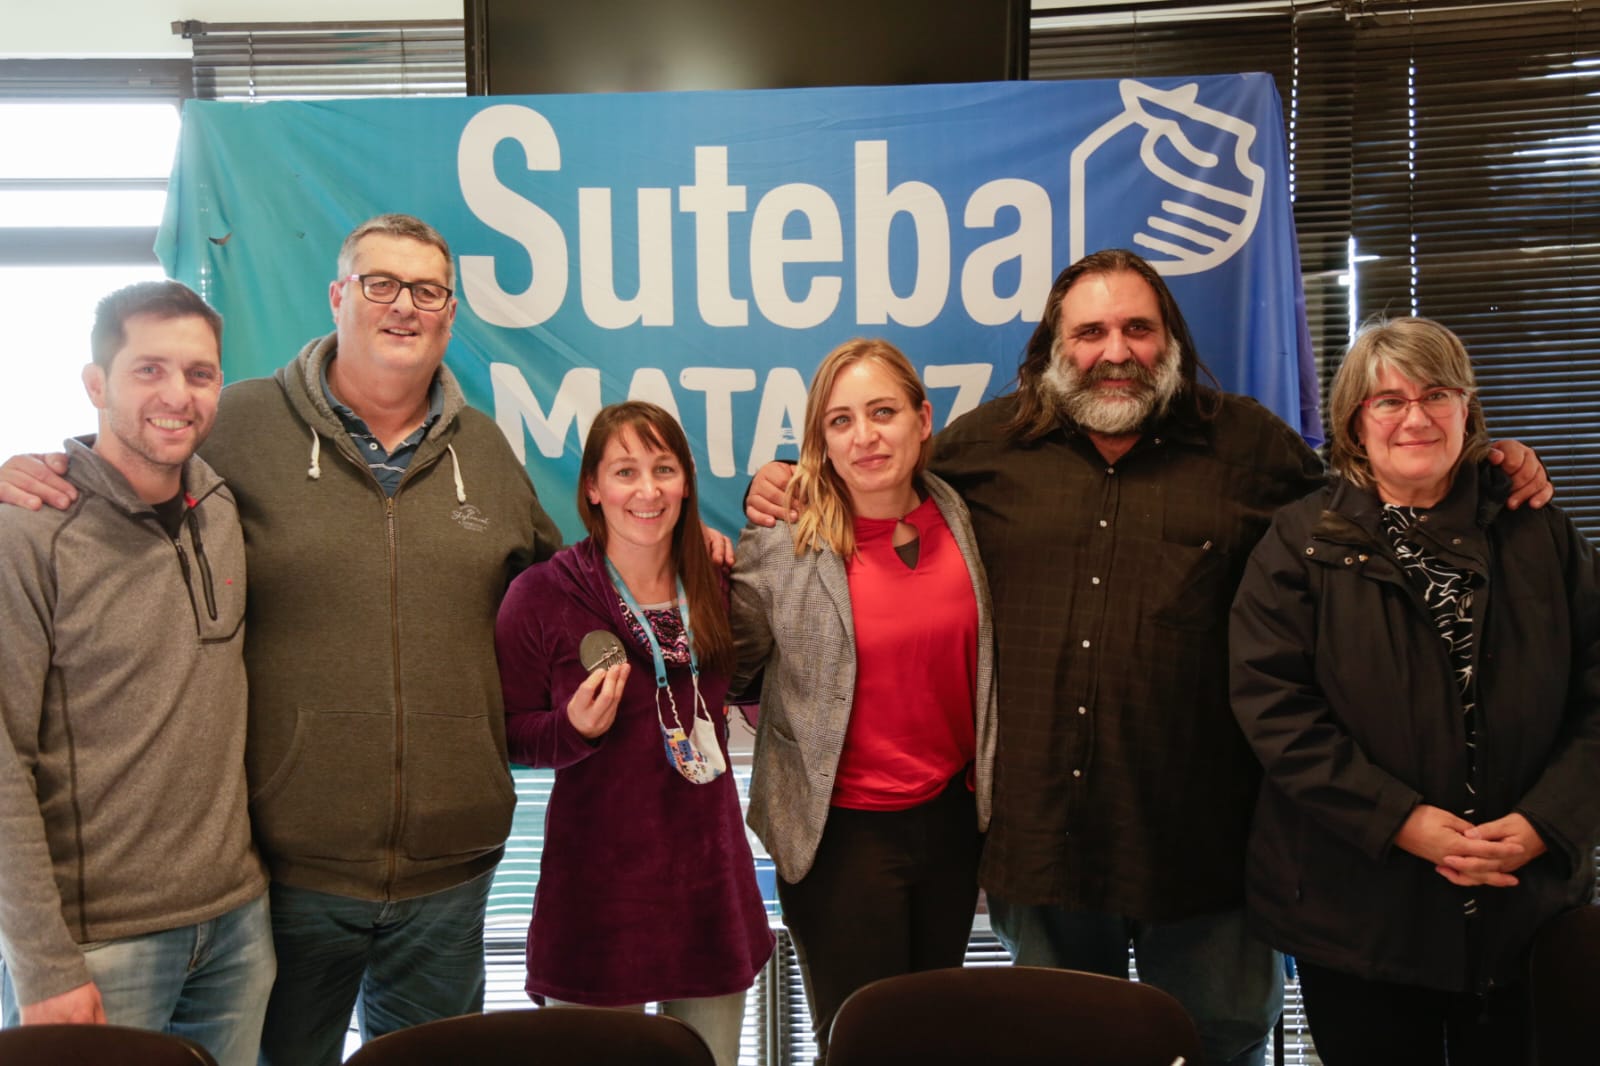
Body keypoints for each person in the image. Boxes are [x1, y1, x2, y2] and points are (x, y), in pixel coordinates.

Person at [745, 249, 1552, 1066]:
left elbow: (1372, 495)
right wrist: (782, 479)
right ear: (1054, 346)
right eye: (1090, 332)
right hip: (1047, 845)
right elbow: (876, 482)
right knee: (1061, 1054)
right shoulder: (982, 448)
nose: (1115, 351)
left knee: (1217, 1047)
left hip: (1204, 849)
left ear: (1170, 338)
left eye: (1137, 328)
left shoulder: (1251, 446)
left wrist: (1487, 467)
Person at [0, 214, 564, 1064]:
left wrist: (683, 547)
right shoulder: (236, 424)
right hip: (286, 875)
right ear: (338, 297)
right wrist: (32, 470)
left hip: (447, 872)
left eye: (427, 291)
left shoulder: (481, 449)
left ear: (450, 315)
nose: (404, 306)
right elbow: (127, 461)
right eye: (380, 284)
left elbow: (568, 587)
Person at [1229, 317, 1600, 1066]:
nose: (1416, 418)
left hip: (1523, 906)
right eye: (1388, 401)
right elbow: (1277, 713)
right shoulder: (1299, 544)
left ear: (1467, 410)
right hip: (1359, 912)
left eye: (1436, 395)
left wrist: (1548, 822)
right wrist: (1399, 819)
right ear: (1353, 422)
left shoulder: (1540, 532)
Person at [0, 281, 272, 1066]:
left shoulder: (220, 508)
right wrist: (43, 964)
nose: (177, 396)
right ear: (96, 384)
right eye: (149, 369)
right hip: (99, 944)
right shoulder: (29, 535)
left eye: (199, 373)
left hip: (236, 926)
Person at [731, 339, 997, 1063]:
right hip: (841, 838)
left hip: (951, 825)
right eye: (841, 421)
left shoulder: (966, 517)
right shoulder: (783, 541)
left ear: (922, 420)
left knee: (935, 1035)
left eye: (883, 413)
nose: (865, 437)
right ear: (820, 440)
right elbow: (731, 667)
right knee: (862, 1045)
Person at [494, 401, 773, 1066]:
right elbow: (506, 733)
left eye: (663, 469)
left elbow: (757, 687)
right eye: (625, 471)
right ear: (592, 487)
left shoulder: (721, 584)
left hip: (708, 887)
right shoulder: (542, 595)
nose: (647, 490)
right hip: (597, 896)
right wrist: (571, 729)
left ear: (687, 482)